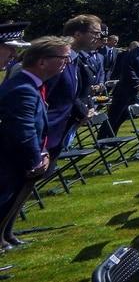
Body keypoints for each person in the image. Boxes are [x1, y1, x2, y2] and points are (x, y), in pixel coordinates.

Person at [0, 36, 72, 249]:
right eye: (63, 58)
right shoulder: (23, 88)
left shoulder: (32, 85)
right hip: (13, 159)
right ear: (42, 62)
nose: (66, 63)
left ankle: (3, 240)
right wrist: (35, 158)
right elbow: (24, 130)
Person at [44, 15, 102, 170]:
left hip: (62, 128)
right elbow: (55, 94)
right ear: (77, 34)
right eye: (95, 33)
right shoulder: (57, 59)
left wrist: (86, 111)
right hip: (47, 129)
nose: (98, 37)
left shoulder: (77, 60)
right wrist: (82, 112)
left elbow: (79, 91)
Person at [108, 34, 139, 134]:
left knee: (125, 114)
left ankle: (112, 136)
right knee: (114, 115)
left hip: (135, 90)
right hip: (124, 89)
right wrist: (138, 81)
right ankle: (103, 139)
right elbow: (128, 69)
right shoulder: (132, 53)